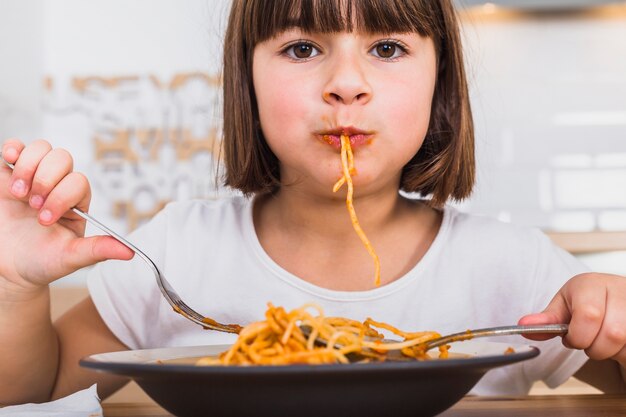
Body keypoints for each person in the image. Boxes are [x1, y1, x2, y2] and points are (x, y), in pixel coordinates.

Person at [1, 0, 625, 405]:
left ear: (442, 87)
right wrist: (16, 286)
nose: (346, 85)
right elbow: (39, 394)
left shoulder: (515, 267)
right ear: (247, 82)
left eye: (387, 49)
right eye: (301, 49)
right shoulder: (178, 249)